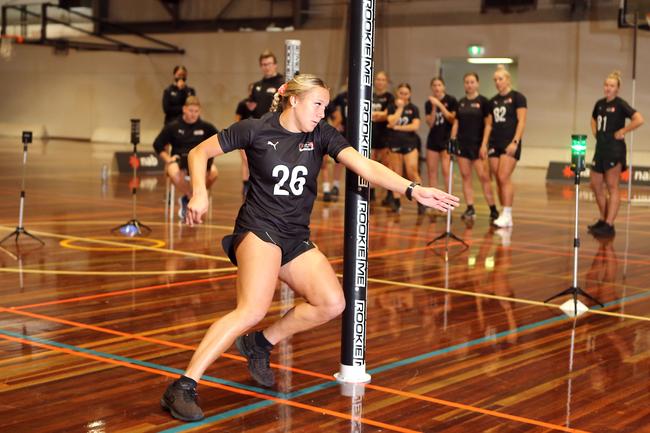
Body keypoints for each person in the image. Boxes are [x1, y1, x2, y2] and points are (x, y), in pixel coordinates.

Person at [159, 74, 459, 422]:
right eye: (317, 104)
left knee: (332, 302)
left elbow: (365, 166)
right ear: (294, 100)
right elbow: (198, 152)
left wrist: (412, 189)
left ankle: (260, 344)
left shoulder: (321, 134)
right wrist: (199, 191)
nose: (322, 112)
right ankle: (182, 386)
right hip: (259, 230)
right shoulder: (254, 129)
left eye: (326, 106)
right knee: (252, 310)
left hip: (294, 236)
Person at [588, 70, 644, 237]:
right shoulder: (599, 104)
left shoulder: (620, 104)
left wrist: (624, 130)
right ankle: (603, 218)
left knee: (612, 186)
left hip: (615, 150)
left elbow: (639, 119)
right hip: (601, 150)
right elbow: (592, 119)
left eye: (611, 86)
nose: (608, 88)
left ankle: (610, 224)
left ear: (617, 88)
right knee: (595, 184)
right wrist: (596, 133)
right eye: (606, 85)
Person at [153, 96, 219, 219]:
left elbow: (220, 140)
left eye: (196, 111)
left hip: (200, 160)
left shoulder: (206, 127)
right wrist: (168, 159)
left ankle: (193, 198)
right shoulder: (173, 126)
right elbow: (157, 144)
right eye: (190, 110)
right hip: (179, 160)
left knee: (214, 172)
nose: (193, 114)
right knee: (172, 169)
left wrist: (210, 154)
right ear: (184, 109)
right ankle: (190, 197)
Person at [450, 72, 499, 222]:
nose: (469, 85)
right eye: (467, 82)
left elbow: (489, 125)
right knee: (466, 177)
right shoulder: (461, 102)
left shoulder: (484, 102)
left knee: (484, 177)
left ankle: (493, 209)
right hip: (463, 146)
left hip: (478, 146)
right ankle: (470, 208)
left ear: (477, 83)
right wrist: (452, 140)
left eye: (472, 82)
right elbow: (456, 123)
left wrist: (484, 145)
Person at [487, 65, 527, 228]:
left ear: (508, 80)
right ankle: (504, 213)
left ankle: (508, 213)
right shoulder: (493, 101)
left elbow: (522, 121)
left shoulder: (518, 97)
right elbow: (489, 125)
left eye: (500, 79)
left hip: (510, 142)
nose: (497, 82)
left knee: (504, 176)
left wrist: (515, 141)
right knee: (498, 178)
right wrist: (484, 144)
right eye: (495, 80)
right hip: (494, 142)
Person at [386, 83, 425, 214]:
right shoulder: (392, 107)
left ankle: (421, 201)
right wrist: (399, 109)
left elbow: (414, 126)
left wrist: (397, 127)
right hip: (394, 143)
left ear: (410, 94)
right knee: (395, 173)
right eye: (401, 93)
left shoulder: (413, 109)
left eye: (406, 93)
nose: (403, 96)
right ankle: (396, 202)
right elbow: (391, 121)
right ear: (397, 93)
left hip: (410, 144)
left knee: (412, 172)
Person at [424, 77, 458, 193]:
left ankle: (448, 203)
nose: (437, 87)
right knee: (432, 172)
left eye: (439, 85)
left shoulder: (451, 100)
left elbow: (452, 119)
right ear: (431, 88)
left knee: (446, 171)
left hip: (446, 139)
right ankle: (434, 201)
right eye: (434, 85)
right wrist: (434, 106)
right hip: (433, 140)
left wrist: (440, 104)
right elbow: (430, 123)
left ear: (444, 87)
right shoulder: (429, 103)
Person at [371, 71, 395, 204]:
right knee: (372, 165)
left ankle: (390, 194)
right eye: (378, 79)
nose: (380, 82)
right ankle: (371, 193)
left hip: (385, 136)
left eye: (382, 80)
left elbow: (386, 115)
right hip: (372, 135)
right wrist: (377, 115)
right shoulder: (370, 95)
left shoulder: (389, 97)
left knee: (387, 166)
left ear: (386, 82)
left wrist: (374, 114)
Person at [321, 86, 346, 202]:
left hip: (323, 134)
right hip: (309, 131)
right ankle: (326, 189)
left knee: (333, 160)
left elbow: (338, 117)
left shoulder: (328, 102)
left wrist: (330, 130)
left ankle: (332, 187)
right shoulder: (340, 97)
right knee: (322, 162)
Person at [235, 83, 257, 197]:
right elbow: (237, 120)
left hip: (258, 137)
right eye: (251, 90)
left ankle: (255, 184)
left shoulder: (261, 104)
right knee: (245, 159)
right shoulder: (242, 104)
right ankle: (245, 184)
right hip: (244, 136)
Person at [251, 50, 285, 119]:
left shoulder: (283, 83)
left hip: (276, 124)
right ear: (260, 66)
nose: (267, 67)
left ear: (275, 65)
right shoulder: (256, 86)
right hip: (259, 124)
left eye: (269, 64)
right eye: (264, 64)